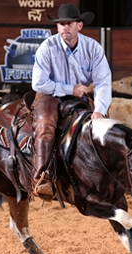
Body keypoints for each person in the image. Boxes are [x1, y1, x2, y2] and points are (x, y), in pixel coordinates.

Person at [31, 3, 112, 199]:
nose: (64, 28)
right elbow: (39, 83)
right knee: (46, 125)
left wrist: (100, 110)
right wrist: (70, 89)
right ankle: (44, 176)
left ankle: (104, 174)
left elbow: (103, 82)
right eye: (61, 24)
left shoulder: (93, 48)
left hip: (80, 95)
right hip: (49, 96)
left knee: (104, 125)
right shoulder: (47, 47)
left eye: (69, 24)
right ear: (57, 27)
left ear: (79, 26)